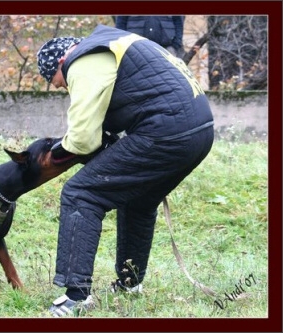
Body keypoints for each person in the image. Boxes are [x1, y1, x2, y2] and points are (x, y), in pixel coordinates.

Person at [36, 24, 214, 317]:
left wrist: (54, 153)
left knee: (81, 193)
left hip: (167, 131)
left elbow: (82, 140)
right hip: (199, 130)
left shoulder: (84, 59)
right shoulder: (114, 43)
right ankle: (130, 284)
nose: (62, 87)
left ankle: (75, 296)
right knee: (139, 200)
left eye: (57, 81)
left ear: (60, 62)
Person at [116, 16, 185, 58]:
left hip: (166, 49)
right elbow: (121, 22)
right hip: (135, 49)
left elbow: (179, 22)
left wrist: (175, 45)